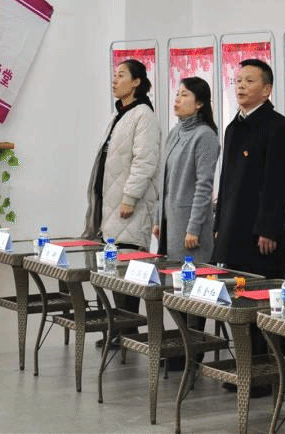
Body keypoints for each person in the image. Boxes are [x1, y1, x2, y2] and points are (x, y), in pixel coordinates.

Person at [213, 58, 285, 394]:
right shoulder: (234, 127)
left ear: (267, 89)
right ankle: (244, 369)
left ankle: (265, 376)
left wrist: (269, 228)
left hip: (262, 236)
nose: (241, 86)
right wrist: (219, 225)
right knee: (240, 304)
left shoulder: (280, 128)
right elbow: (226, 182)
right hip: (234, 231)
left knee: (264, 306)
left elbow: (279, 184)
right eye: (238, 80)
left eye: (249, 80)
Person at [82, 59, 161, 322]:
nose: (115, 80)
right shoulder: (120, 114)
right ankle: (118, 330)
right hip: (111, 205)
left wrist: (130, 197)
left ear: (136, 82)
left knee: (129, 272)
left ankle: (128, 330)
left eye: (121, 75)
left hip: (128, 207)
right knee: (114, 271)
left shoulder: (143, 115)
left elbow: (145, 161)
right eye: (115, 75)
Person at [153, 76, 220, 264]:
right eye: (177, 94)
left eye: (184, 95)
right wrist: (157, 218)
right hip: (169, 224)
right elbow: (164, 181)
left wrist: (194, 228)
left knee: (189, 276)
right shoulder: (175, 132)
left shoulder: (205, 135)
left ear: (199, 103)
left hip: (189, 227)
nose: (177, 99)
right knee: (170, 276)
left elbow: (204, 186)